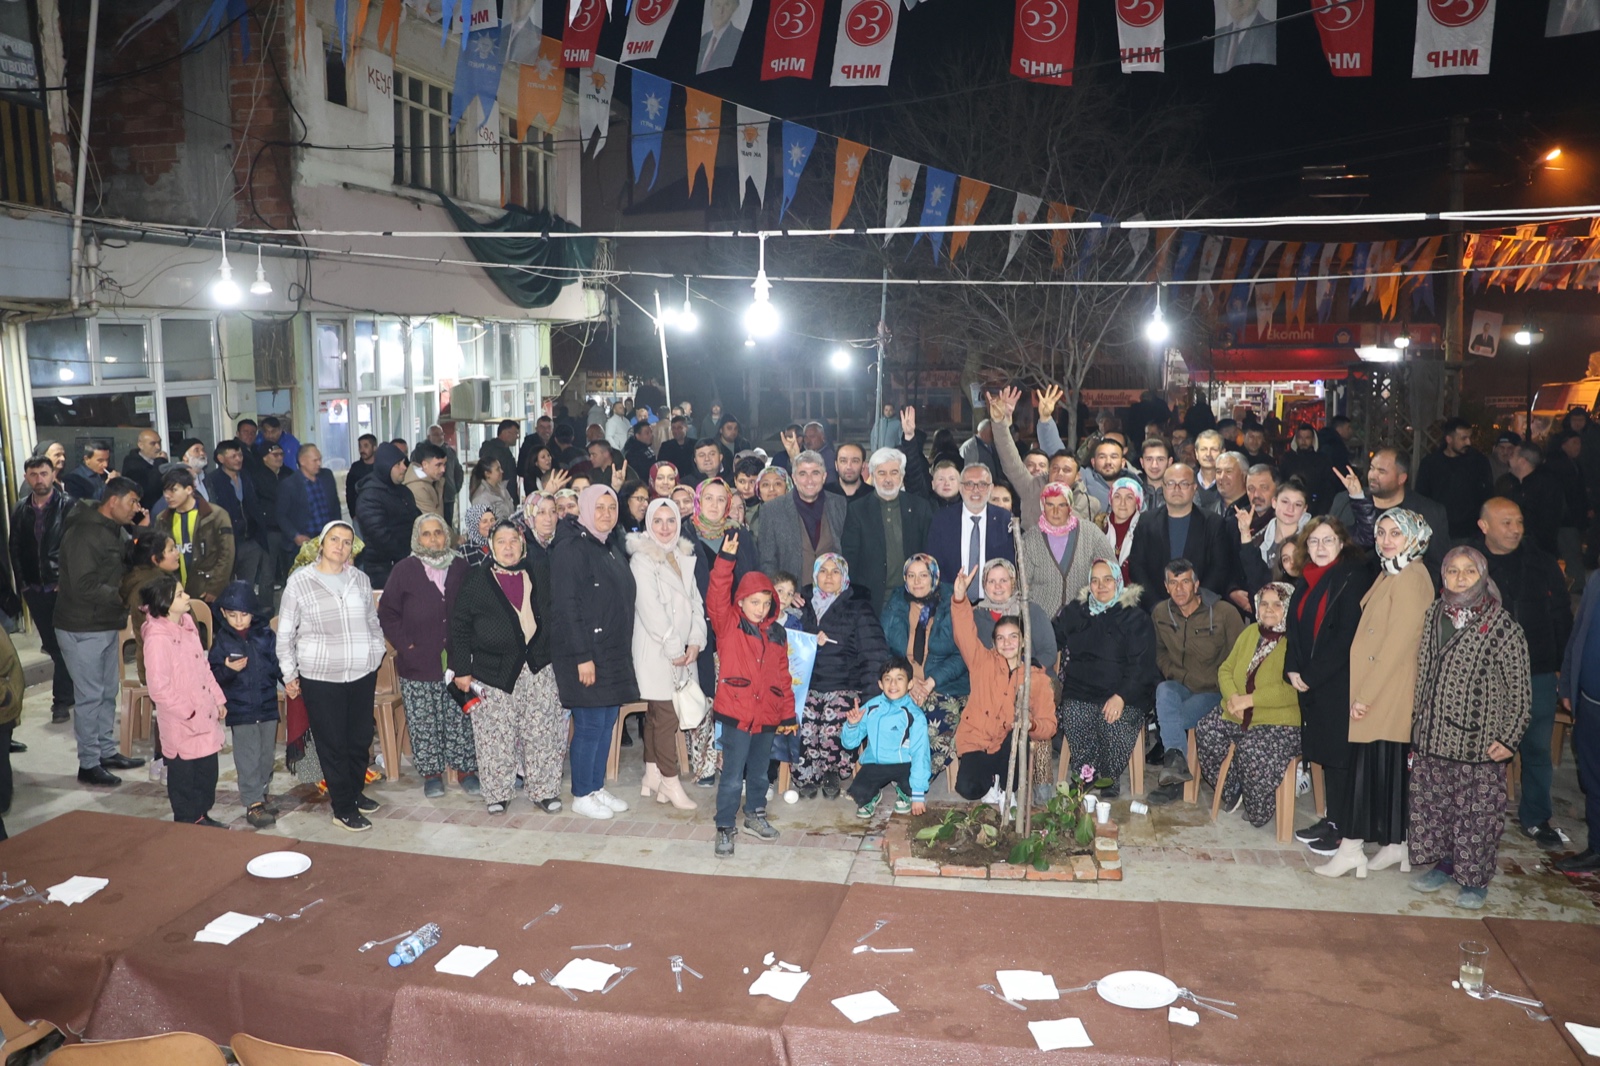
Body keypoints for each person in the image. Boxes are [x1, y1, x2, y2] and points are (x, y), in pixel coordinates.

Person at [1407, 547, 1531, 908]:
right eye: (1453, 571)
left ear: (1483, 576)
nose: (1460, 578)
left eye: (1469, 571)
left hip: (1479, 743)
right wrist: (1417, 724)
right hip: (1433, 736)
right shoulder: (1435, 614)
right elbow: (1423, 669)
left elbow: (1519, 690)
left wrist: (1509, 738)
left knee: (1477, 815)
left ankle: (1475, 880)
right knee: (1436, 808)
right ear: (1443, 576)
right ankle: (1445, 865)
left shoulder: (1502, 626)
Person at [1316, 511, 1435, 879]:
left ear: (1413, 537)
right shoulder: (1394, 570)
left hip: (1387, 688)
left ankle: (1351, 849)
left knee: (1364, 771)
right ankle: (1396, 844)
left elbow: (1397, 644)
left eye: (1395, 533)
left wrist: (1365, 696)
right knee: (1385, 769)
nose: (1386, 540)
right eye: (1381, 532)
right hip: (1383, 686)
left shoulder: (1411, 577)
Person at [1474, 497, 1572, 848]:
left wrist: (1562, 667)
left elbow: (1561, 616)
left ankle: (1536, 817)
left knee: (1535, 748)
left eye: (1518, 522)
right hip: (1485, 674)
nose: (1515, 529)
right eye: (1506, 523)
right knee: (1480, 748)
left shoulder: (1541, 563)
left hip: (1537, 671)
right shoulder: (1470, 564)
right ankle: (1477, 816)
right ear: (1484, 526)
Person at [277, 520, 387, 832]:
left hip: (361, 672)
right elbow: (285, 633)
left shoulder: (360, 579)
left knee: (359, 739)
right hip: (321, 676)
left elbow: (372, 622)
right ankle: (343, 807)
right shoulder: (300, 582)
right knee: (333, 743)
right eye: (334, 539)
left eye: (347, 541)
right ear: (322, 544)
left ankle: (353, 792)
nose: (340, 546)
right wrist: (289, 673)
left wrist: (375, 651)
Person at [450, 520, 565, 816]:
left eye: (513, 540)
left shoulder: (539, 571)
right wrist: (461, 669)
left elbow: (556, 613)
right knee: (494, 735)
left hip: (538, 668)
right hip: (493, 672)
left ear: (522, 544)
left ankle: (544, 790)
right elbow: (459, 627)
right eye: (501, 541)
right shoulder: (476, 581)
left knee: (542, 732)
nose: (508, 547)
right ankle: (497, 794)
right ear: (491, 546)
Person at [1283, 515, 1375, 858]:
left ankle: (1344, 829)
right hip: (1313, 682)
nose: (1320, 547)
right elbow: (1294, 630)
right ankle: (1333, 820)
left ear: (1342, 544)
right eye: (1313, 541)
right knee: (1328, 757)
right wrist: (1292, 668)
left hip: (1339, 682)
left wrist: (1311, 676)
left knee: (1340, 759)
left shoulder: (1351, 577)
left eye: (1328, 541)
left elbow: (1345, 637)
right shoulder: (1307, 579)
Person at [551, 485, 639, 820]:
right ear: (585, 509)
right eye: (599, 507)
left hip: (612, 653)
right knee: (589, 725)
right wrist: (582, 657)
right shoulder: (571, 548)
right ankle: (581, 793)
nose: (606, 514)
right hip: (585, 654)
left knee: (606, 723)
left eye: (611, 507)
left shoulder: (609, 545)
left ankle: (596, 785)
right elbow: (566, 607)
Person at [705, 530, 792, 857]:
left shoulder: (778, 633)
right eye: (754, 602)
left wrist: (787, 714)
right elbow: (716, 593)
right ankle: (725, 825)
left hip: (767, 714)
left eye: (766, 602)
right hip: (737, 713)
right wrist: (726, 559)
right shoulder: (728, 625)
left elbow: (783, 676)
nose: (760, 608)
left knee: (759, 772)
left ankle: (755, 813)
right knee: (731, 776)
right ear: (740, 601)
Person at [380, 514, 478, 801]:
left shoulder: (461, 567)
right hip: (418, 661)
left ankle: (466, 770)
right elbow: (387, 613)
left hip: (458, 660)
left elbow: (474, 609)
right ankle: (432, 774)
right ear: (417, 538)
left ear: (447, 536)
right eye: (427, 534)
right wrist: (406, 646)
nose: (433, 539)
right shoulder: (404, 570)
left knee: (460, 717)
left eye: (438, 532)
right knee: (424, 721)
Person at [57, 477, 147, 787]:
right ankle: (88, 763)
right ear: (113, 501)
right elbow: (83, 585)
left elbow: (124, 566)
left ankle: (106, 751)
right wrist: (125, 595)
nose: (136, 508)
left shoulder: (114, 529)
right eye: (132, 501)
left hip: (106, 622)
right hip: (82, 626)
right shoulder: (84, 532)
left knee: (108, 691)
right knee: (90, 696)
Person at [1195, 582, 1302, 829]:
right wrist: (1233, 696)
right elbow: (1226, 669)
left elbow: (1294, 690)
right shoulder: (1251, 632)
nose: (1269, 610)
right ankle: (1234, 788)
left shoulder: (1296, 640)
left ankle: (1258, 810)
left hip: (1278, 722)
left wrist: (1250, 700)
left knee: (1251, 751)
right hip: (1238, 711)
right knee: (1207, 730)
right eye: (1264, 604)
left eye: (1277, 604)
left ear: (1288, 607)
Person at [1047, 556, 1156, 798]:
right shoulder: (1076, 611)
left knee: (1113, 723)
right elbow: (1051, 638)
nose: (1101, 586)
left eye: (1107, 579)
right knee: (1075, 715)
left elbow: (1142, 666)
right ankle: (1086, 775)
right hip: (1081, 690)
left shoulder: (1135, 618)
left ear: (1118, 581)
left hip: (1123, 693)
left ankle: (1108, 777)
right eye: (1095, 581)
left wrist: (1121, 696)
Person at [949, 565, 1056, 801]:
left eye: (1013, 637)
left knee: (1017, 744)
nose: (1007, 644)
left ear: (1024, 641)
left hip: (1009, 743)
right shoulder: (981, 661)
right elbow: (964, 632)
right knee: (968, 789)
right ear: (994, 642)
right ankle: (991, 783)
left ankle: (1009, 788)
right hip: (979, 740)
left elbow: (1049, 725)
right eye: (1001, 638)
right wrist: (959, 598)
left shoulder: (1035, 677)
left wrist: (1031, 725)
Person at [627, 498, 706, 811]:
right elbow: (650, 609)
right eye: (657, 521)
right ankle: (670, 783)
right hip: (657, 650)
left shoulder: (682, 554)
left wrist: (696, 641)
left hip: (682, 650)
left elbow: (696, 602)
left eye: (670, 520)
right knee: (666, 717)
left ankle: (652, 775)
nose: (664, 527)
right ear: (648, 523)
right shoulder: (642, 559)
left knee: (657, 715)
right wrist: (675, 647)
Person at [1147, 560, 1246, 805]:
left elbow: (1241, 659)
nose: (1179, 589)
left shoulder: (1224, 613)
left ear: (1196, 584)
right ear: (1166, 586)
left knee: (1174, 718)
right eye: (1173, 583)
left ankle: (1174, 779)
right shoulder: (1160, 613)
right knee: (1164, 691)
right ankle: (1176, 766)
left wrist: (1233, 693)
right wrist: (1172, 672)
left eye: (1185, 582)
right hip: (1180, 685)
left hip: (1214, 691)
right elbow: (1158, 651)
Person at [795, 554, 890, 798]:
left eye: (835, 571)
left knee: (834, 717)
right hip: (808, 685)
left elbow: (874, 655)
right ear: (815, 575)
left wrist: (871, 700)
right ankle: (807, 775)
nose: (828, 576)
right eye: (823, 571)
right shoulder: (801, 606)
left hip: (845, 684)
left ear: (844, 577)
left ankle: (832, 771)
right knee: (803, 716)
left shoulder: (858, 608)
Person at [140, 574, 228, 826]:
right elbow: (159, 688)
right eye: (180, 594)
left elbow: (203, 667)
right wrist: (188, 712)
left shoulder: (188, 626)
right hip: (181, 721)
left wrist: (217, 699)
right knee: (185, 779)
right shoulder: (157, 639)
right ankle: (188, 821)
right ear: (165, 603)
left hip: (204, 714)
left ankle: (201, 815)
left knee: (207, 773)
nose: (187, 596)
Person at [881, 554, 968, 785]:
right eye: (911, 576)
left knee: (935, 722)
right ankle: (900, 774)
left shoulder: (952, 603)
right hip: (904, 684)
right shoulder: (896, 603)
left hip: (944, 685)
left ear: (934, 577)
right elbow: (884, 649)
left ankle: (916, 782)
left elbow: (962, 655)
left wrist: (930, 683)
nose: (917, 582)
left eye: (923, 575)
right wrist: (906, 683)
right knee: (893, 720)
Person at [208, 580, 282, 829]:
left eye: (244, 615)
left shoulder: (266, 636)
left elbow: (277, 664)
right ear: (223, 613)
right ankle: (253, 802)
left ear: (254, 612)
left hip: (267, 706)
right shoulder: (222, 640)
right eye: (232, 615)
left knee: (266, 755)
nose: (239, 621)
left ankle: (261, 794)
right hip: (241, 709)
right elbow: (212, 675)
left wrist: (290, 681)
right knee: (248, 757)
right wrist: (228, 669)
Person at [9, 456, 75, 722]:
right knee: (52, 645)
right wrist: (23, 585)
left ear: (53, 475)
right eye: (34, 474)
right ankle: (68, 695)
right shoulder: (20, 508)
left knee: (62, 646)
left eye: (44, 473)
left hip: (61, 588)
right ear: (27, 477)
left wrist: (66, 581)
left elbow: (75, 546)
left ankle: (61, 701)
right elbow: (15, 548)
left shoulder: (68, 505)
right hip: (35, 590)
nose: (39, 479)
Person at [1329, 449, 1449, 582]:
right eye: (1372, 468)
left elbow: (1437, 565)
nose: (1373, 475)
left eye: (1381, 471)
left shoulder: (1429, 512)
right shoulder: (1346, 501)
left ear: (1401, 478)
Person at [840, 447, 933, 613]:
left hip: (912, 598)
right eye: (881, 473)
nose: (888, 479)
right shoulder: (857, 510)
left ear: (902, 476)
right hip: (871, 601)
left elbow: (929, 553)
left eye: (894, 472)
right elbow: (850, 558)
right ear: (872, 476)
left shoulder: (920, 507)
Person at [1129, 463, 1235, 608]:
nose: (1176, 489)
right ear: (1163, 487)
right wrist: (1156, 606)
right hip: (1154, 610)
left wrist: (1195, 604)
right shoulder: (1146, 521)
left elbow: (1219, 568)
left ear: (1194, 488)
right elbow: (1137, 567)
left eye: (1184, 484)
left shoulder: (1213, 523)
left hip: (1201, 610)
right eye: (1171, 483)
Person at [842, 658, 931, 819]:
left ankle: (904, 793)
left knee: (913, 786)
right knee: (859, 792)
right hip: (876, 763)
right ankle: (875, 795)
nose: (893, 684)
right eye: (887, 679)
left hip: (904, 764)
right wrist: (852, 725)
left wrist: (918, 795)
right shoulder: (871, 707)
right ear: (880, 684)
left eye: (899, 678)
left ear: (910, 684)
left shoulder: (915, 715)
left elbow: (920, 753)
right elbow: (849, 743)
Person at [1015, 481, 1115, 620]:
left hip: (1084, 619)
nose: (1055, 511)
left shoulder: (1091, 534)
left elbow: (1112, 573)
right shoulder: (1030, 539)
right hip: (1042, 620)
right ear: (1042, 506)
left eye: (1062, 505)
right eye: (1050, 505)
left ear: (1070, 506)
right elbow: (1021, 586)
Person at [1556, 572, 1600, 873]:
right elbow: (1579, 633)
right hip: (1590, 703)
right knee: (1593, 780)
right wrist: (1568, 685)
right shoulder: (1596, 580)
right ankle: (1597, 848)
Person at [758, 451, 848, 579]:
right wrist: (780, 587)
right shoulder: (771, 510)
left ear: (824, 477)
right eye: (803, 474)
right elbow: (767, 562)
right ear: (794, 478)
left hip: (831, 589)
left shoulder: (839, 504)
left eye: (815, 473)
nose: (809, 480)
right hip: (791, 589)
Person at [925, 463, 1015, 586]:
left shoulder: (1005, 520)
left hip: (995, 595)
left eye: (982, 484)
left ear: (991, 488)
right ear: (960, 488)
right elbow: (934, 565)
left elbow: (1011, 565)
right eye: (969, 484)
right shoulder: (942, 520)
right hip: (951, 595)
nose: (975, 490)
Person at [206, 440, 271, 596]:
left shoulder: (246, 476)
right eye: (233, 456)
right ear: (221, 459)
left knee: (246, 587)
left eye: (240, 455)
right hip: (228, 541)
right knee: (225, 586)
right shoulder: (213, 480)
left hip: (250, 540)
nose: (238, 459)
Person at [160, 468, 233, 604]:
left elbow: (227, 554)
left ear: (189, 489)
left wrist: (215, 587)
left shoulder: (216, 515)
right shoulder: (163, 519)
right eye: (165, 491)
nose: (168, 496)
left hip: (206, 588)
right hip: (176, 591)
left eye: (173, 490)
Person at [355, 442, 422, 589]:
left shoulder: (403, 491)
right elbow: (381, 537)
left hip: (409, 561)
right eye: (398, 464)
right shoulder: (369, 497)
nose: (404, 467)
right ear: (385, 467)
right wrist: (410, 554)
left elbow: (418, 520)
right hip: (383, 570)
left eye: (404, 462)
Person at [1415, 418, 1494, 542]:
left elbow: (1488, 495)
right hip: (1438, 531)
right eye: (1463, 438)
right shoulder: (1431, 463)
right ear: (1449, 439)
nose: (1468, 442)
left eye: (1469, 437)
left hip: (1471, 533)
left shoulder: (1478, 462)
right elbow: (1421, 497)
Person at [1238, 479, 1314, 594]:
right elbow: (1254, 577)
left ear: (1304, 509)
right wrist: (1245, 532)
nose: (1290, 509)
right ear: (1274, 502)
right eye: (1285, 502)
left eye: (1298, 504)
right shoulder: (1258, 540)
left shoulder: (1312, 542)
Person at [1503, 443, 1565, 559]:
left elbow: (1545, 523)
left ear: (1522, 461)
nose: (1508, 457)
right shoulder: (1514, 483)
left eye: (1513, 454)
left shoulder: (1544, 486)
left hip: (1536, 552)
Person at [277, 444, 341, 552]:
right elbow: (281, 515)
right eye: (315, 460)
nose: (319, 463)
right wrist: (295, 536)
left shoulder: (327, 476)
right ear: (302, 461)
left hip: (328, 539)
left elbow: (335, 505)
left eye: (320, 459)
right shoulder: (289, 484)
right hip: (304, 542)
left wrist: (338, 529)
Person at [1277, 424, 1338, 515]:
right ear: (1296, 439)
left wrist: (1322, 511)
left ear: (1313, 439)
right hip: (1290, 506)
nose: (1303, 441)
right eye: (1300, 438)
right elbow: (1280, 482)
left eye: (1307, 438)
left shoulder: (1322, 460)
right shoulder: (1287, 459)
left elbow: (1328, 488)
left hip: (1315, 508)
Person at [1099, 477, 1144, 585]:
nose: (1122, 503)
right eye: (1117, 497)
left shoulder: (1145, 530)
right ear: (1111, 500)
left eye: (1129, 498)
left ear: (1138, 502)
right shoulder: (1099, 529)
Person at [479, 420, 522, 509]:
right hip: (498, 499)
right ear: (506, 433)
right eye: (515, 433)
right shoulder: (493, 450)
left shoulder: (505, 449)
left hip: (507, 496)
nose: (517, 437)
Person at [122, 429, 167, 509]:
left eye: (159, 442)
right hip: (144, 510)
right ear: (141, 445)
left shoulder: (158, 460)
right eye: (153, 443)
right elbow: (150, 490)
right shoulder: (132, 465)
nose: (158, 447)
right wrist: (160, 462)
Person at [469, 454, 516, 521]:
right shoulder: (481, 497)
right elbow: (484, 524)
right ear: (487, 474)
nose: (502, 471)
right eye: (498, 469)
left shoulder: (502, 489)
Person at [346, 434, 378, 520]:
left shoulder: (380, 467)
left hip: (379, 514)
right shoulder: (355, 468)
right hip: (360, 515)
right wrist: (353, 514)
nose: (362, 450)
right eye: (360, 446)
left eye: (366, 446)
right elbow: (350, 492)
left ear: (374, 448)